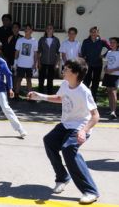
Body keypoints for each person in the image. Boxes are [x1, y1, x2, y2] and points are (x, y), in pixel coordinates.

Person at [28, 58, 100, 205]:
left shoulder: (84, 91)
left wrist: (83, 131)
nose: (63, 70)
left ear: (75, 73)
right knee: (49, 141)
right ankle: (62, 178)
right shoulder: (66, 84)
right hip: (66, 124)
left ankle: (91, 191)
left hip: (80, 126)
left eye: (66, 69)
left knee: (68, 149)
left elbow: (95, 116)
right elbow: (61, 98)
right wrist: (40, 96)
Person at [80, 26, 110, 101]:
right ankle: (84, 97)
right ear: (90, 33)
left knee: (96, 81)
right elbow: (83, 52)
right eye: (92, 32)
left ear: (98, 33)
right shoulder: (86, 41)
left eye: (95, 32)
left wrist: (104, 55)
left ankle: (93, 98)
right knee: (86, 81)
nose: (93, 33)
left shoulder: (102, 41)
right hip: (88, 64)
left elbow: (110, 48)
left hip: (98, 64)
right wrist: (83, 59)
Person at [13, 23, 38, 100]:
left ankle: (30, 96)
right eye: (26, 28)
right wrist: (15, 63)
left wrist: (35, 64)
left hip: (29, 65)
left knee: (29, 80)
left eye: (29, 28)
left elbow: (35, 54)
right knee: (19, 79)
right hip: (20, 64)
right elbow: (17, 52)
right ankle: (16, 95)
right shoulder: (20, 40)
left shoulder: (34, 41)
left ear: (32, 31)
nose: (27, 30)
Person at [37, 24, 61, 95]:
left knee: (50, 79)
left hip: (52, 62)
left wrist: (57, 63)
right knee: (41, 79)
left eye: (51, 28)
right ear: (46, 30)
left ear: (53, 30)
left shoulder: (56, 40)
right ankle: (40, 93)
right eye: (48, 28)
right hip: (43, 62)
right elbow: (38, 52)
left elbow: (58, 53)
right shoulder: (42, 39)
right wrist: (38, 63)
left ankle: (49, 93)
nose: (49, 30)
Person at [102, 37, 119, 119]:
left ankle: (114, 111)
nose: (112, 44)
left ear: (117, 44)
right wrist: (105, 68)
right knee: (109, 92)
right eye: (111, 42)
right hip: (108, 74)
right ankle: (111, 109)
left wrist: (112, 70)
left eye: (114, 42)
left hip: (115, 75)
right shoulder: (109, 52)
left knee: (113, 92)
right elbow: (107, 63)